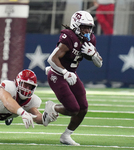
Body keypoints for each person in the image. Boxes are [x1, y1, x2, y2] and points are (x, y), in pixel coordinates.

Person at [43, 11, 103, 146]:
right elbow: (51, 59)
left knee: (83, 108)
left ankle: (66, 136)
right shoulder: (69, 37)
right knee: (73, 109)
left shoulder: (90, 39)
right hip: (57, 74)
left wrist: (94, 55)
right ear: (76, 25)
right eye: (84, 27)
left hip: (71, 75)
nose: (87, 30)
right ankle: (53, 107)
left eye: (89, 27)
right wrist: (64, 72)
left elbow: (99, 64)